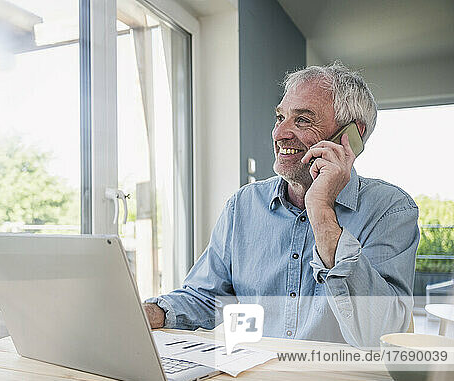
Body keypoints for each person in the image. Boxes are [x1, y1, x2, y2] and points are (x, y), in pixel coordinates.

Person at [143, 62, 419, 348]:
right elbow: (204, 298)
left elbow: (381, 333)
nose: (279, 133)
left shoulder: (391, 209)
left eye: (302, 120)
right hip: (253, 377)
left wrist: (321, 211)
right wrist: (146, 313)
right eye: (280, 117)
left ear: (350, 136)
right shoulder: (243, 206)